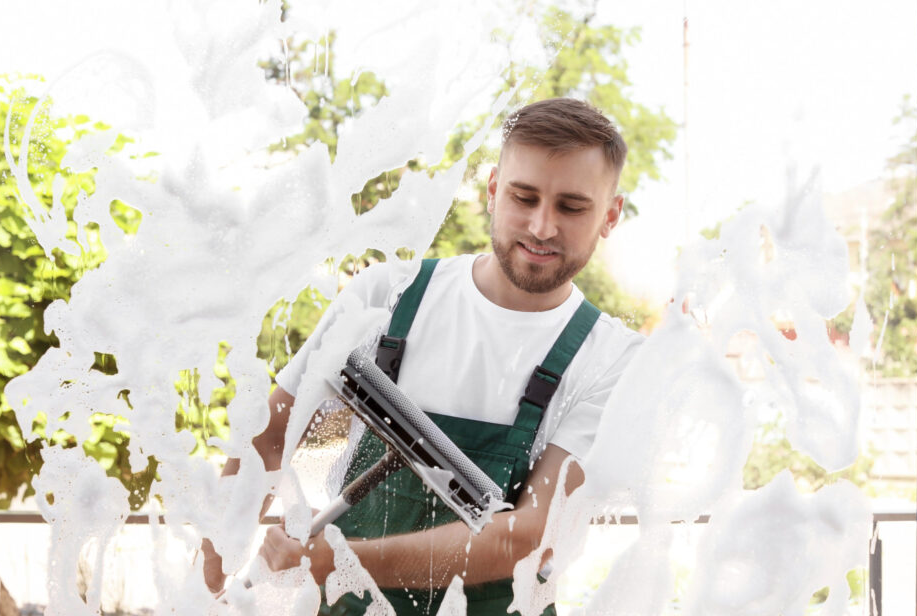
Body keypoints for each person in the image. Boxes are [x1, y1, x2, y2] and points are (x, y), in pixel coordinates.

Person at [202, 97, 643, 615]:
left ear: (610, 215)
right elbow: (270, 439)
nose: (542, 226)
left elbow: (527, 537)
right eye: (524, 197)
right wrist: (207, 583)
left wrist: (343, 560)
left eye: (571, 207)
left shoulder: (611, 357)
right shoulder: (386, 297)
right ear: (494, 191)